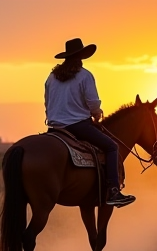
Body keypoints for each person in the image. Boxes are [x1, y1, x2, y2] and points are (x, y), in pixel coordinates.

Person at [44, 38, 135, 207]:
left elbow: (47, 103)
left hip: (54, 129)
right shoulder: (85, 76)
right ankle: (114, 191)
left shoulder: (51, 77)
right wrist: (96, 113)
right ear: (80, 56)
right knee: (112, 147)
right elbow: (93, 102)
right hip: (78, 126)